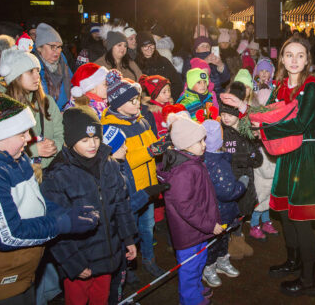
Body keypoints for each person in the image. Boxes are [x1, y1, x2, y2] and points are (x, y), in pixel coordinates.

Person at [0, 93, 98, 304]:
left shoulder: (13, 156)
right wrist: (62, 223)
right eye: (22, 133)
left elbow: (32, 203)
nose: (29, 138)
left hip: (16, 282)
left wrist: (63, 213)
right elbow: (6, 234)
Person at [225, 37, 315, 297]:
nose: (294, 60)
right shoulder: (280, 86)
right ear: (281, 58)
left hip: (305, 156)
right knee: (286, 215)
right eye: (288, 54)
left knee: (301, 218)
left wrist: (264, 127)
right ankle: (293, 261)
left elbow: (299, 123)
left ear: (307, 59)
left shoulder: (312, 86)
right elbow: (268, 111)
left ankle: (309, 278)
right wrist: (244, 108)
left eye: (300, 55)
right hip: (285, 153)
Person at [41, 106, 138, 305]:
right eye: (84, 140)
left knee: (100, 299)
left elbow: (121, 204)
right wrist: (73, 263)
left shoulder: (109, 164)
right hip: (79, 260)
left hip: (106, 255)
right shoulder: (57, 175)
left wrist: (128, 238)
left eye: (95, 138)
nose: (92, 145)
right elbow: (56, 225)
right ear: (69, 141)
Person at [100, 70, 169, 278]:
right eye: (131, 101)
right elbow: (122, 158)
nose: (137, 104)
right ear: (117, 104)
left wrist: (161, 145)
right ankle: (128, 270)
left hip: (147, 188)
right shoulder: (109, 127)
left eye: (137, 99)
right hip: (129, 191)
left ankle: (149, 259)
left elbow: (151, 143)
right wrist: (150, 152)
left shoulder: (141, 120)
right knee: (128, 232)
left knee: (147, 228)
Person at [158, 112, 222, 305]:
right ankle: (190, 299)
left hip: (197, 230)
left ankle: (196, 289)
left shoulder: (192, 161)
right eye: (199, 141)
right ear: (185, 145)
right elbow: (185, 207)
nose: (204, 145)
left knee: (199, 262)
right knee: (189, 268)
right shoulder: (184, 171)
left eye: (204, 140)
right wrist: (209, 225)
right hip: (189, 233)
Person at [102, 125, 170, 290]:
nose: (126, 148)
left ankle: (136, 267)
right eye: (121, 145)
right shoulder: (110, 174)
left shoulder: (122, 164)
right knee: (119, 268)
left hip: (133, 211)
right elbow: (124, 207)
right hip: (122, 226)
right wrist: (146, 194)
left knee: (140, 234)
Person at [0, 48, 63, 170]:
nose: (37, 76)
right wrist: (33, 150)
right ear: (15, 76)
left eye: (38, 71)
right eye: (31, 71)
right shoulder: (0, 106)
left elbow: (59, 132)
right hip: (16, 171)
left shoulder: (47, 102)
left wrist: (54, 147)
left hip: (49, 170)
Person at [201, 119, 246, 288]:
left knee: (222, 238)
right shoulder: (217, 163)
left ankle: (222, 261)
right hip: (219, 211)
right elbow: (227, 191)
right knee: (214, 241)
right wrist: (243, 183)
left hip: (219, 211)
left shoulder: (209, 158)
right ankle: (209, 267)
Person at [220, 82, 262, 259]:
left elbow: (257, 158)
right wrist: (245, 158)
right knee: (230, 212)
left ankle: (238, 237)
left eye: (230, 114)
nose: (226, 118)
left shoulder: (246, 131)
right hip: (231, 181)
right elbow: (225, 158)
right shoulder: (223, 133)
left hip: (246, 180)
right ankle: (228, 240)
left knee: (242, 211)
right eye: (222, 114)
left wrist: (249, 158)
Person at [34, 23, 73, 110]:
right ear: (39, 48)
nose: (57, 51)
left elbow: (73, 85)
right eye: (52, 47)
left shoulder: (62, 63)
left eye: (59, 47)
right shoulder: (33, 68)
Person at [135, 32, 182, 100]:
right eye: (145, 46)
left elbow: (177, 83)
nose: (149, 48)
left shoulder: (163, 61)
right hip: (150, 103)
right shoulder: (136, 64)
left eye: (151, 45)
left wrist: (171, 98)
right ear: (140, 48)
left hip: (168, 100)